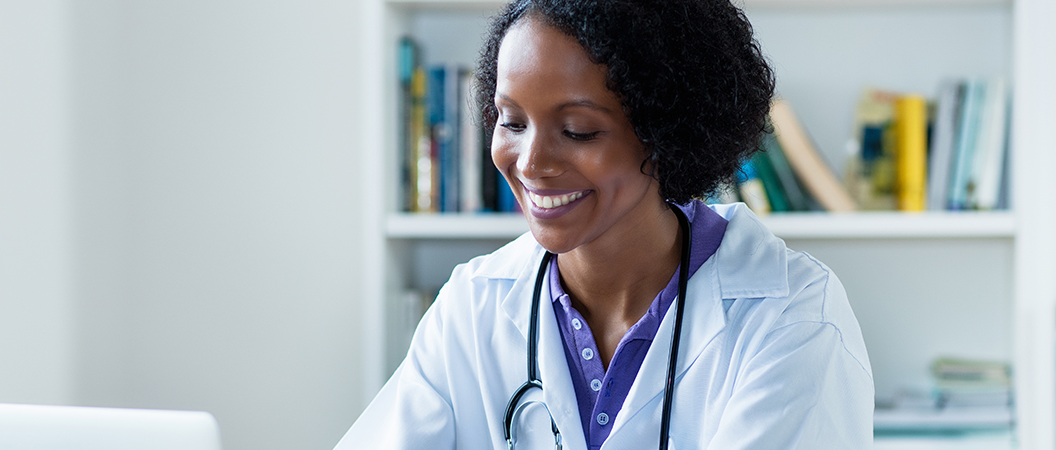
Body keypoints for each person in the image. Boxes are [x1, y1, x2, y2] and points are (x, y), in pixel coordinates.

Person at [334, 0, 873, 448]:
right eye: (512, 121)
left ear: (666, 131)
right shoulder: (470, 308)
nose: (530, 162)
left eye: (578, 130)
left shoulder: (792, 319)